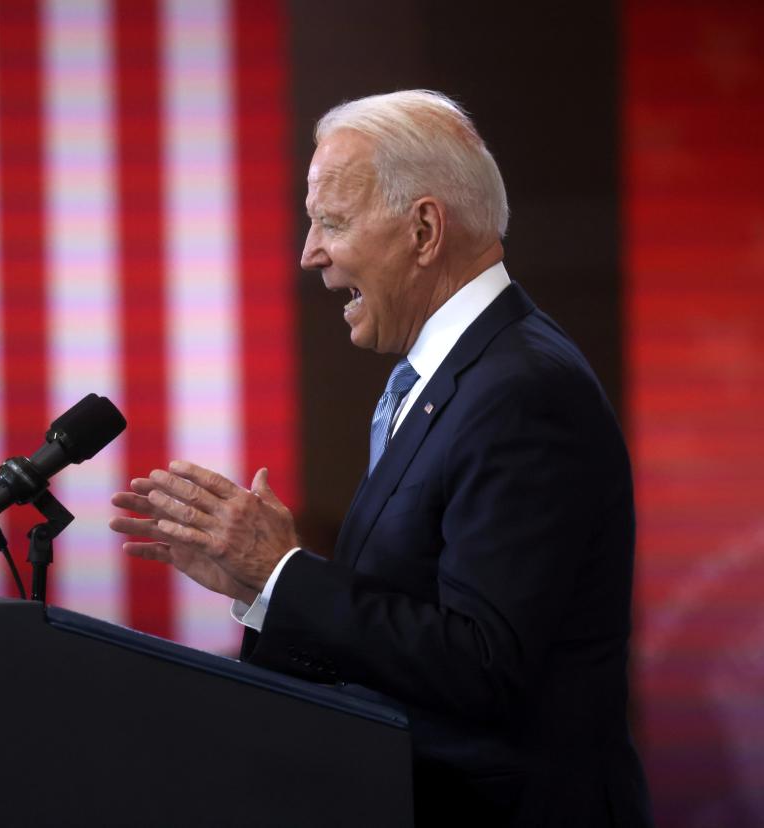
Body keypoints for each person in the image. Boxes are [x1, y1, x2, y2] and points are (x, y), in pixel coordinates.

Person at [110, 90, 652, 826]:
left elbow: (484, 665)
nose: (310, 252)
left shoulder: (523, 390)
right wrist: (266, 586)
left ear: (424, 229)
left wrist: (284, 572)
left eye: (331, 222)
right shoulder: (453, 377)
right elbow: (406, 626)